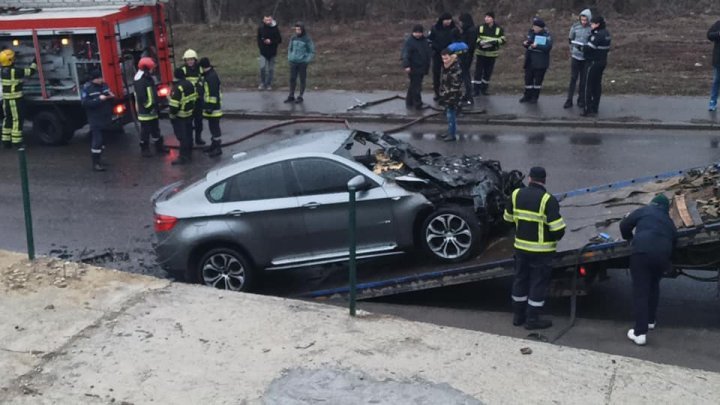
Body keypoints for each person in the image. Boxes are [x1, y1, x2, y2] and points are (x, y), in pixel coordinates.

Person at [503, 167, 566, 329]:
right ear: (544, 180)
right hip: (541, 252)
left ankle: (518, 317)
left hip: (521, 249)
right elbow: (558, 229)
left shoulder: (516, 194)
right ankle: (532, 319)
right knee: (537, 284)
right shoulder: (547, 200)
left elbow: (507, 219)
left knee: (520, 280)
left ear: (529, 178)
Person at [619, 194, 677, 346]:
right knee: (653, 286)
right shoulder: (669, 222)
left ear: (653, 204)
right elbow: (675, 241)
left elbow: (624, 225)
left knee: (641, 292)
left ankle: (640, 333)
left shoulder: (645, 211)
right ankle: (651, 320)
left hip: (642, 253)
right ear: (666, 209)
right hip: (662, 257)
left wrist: (629, 239)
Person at [0, 49, 36, 148]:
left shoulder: (2, 71)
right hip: (15, 100)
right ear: (10, 60)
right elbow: (30, 72)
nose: (15, 59)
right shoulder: (14, 71)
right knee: (17, 120)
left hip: (6, 101)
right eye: (13, 58)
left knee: (8, 119)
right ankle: (17, 142)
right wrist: (35, 61)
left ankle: (6, 141)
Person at [133, 57, 168, 157]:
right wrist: (149, 106)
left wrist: (156, 105)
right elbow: (142, 97)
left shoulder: (147, 77)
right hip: (145, 111)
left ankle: (159, 147)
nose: (153, 70)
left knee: (155, 130)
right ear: (147, 68)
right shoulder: (140, 79)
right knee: (145, 131)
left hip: (152, 109)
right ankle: (145, 149)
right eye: (152, 68)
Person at [81, 69, 114, 171]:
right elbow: (85, 103)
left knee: (104, 140)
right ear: (94, 79)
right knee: (97, 140)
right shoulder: (87, 89)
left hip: (105, 117)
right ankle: (96, 164)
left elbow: (108, 95)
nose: (102, 79)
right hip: (95, 119)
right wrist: (99, 99)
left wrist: (111, 96)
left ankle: (100, 159)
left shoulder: (104, 85)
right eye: (100, 78)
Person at [581, 15, 611, 117]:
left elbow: (590, 48)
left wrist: (581, 47)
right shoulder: (606, 33)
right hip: (602, 62)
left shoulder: (597, 35)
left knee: (587, 85)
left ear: (597, 24)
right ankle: (595, 107)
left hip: (593, 62)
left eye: (592, 24)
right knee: (597, 85)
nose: (591, 25)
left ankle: (586, 108)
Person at [168, 67, 198, 165]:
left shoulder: (178, 88)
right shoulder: (190, 84)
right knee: (189, 135)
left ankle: (183, 156)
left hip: (180, 116)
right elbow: (194, 98)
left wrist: (172, 115)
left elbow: (174, 105)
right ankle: (189, 153)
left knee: (182, 137)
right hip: (189, 114)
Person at [520, 17, 553, 104]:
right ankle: (527, 96)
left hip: (540, 62)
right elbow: (530, 42)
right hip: (530, 60)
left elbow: (547, 47)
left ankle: (535, 97)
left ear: (540, 27)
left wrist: (537, 46)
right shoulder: (531, 33)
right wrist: (525, 44)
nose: (533, 28)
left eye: (535, 27)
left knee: (537, 81)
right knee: (528, 79)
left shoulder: (546, 35)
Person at [564, 9, 592, 109]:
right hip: (576, 57)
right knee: (573, 79)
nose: (583, 22)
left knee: (583, 80)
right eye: (582, 20)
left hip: (586, 58)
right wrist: (572, 50)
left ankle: (581, 100)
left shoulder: (590, 28)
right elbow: (570, 39)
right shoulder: (575, 27)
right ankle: (569, 100)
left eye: (585, 20)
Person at [428, 13, 460, 101]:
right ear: (442, 20)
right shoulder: (435, 28)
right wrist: (435, 48)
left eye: (449, 19)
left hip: (449, 54)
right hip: (437, 54)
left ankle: (447, 92)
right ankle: (436, 92)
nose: (448, 22)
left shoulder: (454, 29)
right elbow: (430, 39)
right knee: (436, 73)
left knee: (448, 74)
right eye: (446, 20)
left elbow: (458, 41)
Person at [473, 12, 505, 96]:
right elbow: (475, 37)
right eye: (485, 17)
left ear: (493, 19)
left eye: (488, 17)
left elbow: (503, 40)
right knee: (478, 72)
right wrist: (480, 43)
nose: (486, 18)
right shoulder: (480, 27)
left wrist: (495, 42)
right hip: (481, 53)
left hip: (492, 54)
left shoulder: (498, 29)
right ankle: (476, 90)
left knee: (488, 72)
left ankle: (484, 89)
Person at [401, 24, 432, 110]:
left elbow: (427, 52)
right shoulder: (410, 42)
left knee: (414, 85)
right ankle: (417, 103)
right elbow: (405, 54)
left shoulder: (424, 41)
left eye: (419, 32)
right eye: (416, 32)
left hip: (422, 67)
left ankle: (409, 101)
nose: (418, 34)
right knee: (417, 86)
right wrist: (406, 65)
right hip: (414, 67)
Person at [284, 22, 315, 104]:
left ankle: (300, 96)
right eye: (296, 29)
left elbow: (311, 51)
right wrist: (290, 57)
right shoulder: (293, 38)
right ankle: (291, 95)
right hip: (293, 61)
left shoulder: (307, 39)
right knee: (292, 79)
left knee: (302, 79)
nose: (297, 31)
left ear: (302, 30)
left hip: (302, 62)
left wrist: (306, 60)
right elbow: (290, 48)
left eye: (299, 29)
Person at [180, 49, 206, 146]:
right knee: (188, 122)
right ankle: (189, 141)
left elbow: (203, 81)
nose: (190, 62)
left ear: (195, 60)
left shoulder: (200, 69)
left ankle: (198, 138)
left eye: (191, 59)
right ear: (185, 61)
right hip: (188, 101)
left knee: (199, 121)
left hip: (198, 100)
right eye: (188, 60)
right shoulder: (183, 70)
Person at [199, 57, 223, 157]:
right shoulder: (209, 75)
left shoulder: (211, 77)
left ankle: (218, 148)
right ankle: (214, 145)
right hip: (211, 108)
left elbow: (213, 94)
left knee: (215, 128)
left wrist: (210, 107)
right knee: (212, 127)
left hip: (213, 109)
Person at [438, 48, 463, 142]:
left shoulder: (455, 67)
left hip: (453, 95)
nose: (444, 60)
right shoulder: (447, 65)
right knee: (449, 115)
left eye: (446, 58)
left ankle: (452, 134)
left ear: (451, 56)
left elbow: (456, 84)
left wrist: (447, 95)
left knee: (451, 115)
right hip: (447, 94)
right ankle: (449, 132)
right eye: (443, 58)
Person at [257, 14, 282, 90]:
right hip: (263, 52)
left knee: (271, 69)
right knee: (262, 68)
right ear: (263, 20)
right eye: (266, 20)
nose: (267, 21)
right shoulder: (260, 28)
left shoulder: (275, 28)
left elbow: (279, 40)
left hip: (272, 52)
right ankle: (262, 83)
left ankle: (269, 84)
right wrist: (262, 45)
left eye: (269, 20)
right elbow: (258, 39)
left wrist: (271, 42)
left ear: (271, 20)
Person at [458, 13, 477, 105]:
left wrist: (464, 54)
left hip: (466, 56)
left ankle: (469, 96)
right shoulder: (466, 30)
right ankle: (467, 95)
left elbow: (470, 45)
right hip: (464, 55)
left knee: (465, 76)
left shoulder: (471, 31)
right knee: (464, 75)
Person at [707, 20, 720, 111]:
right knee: (716, 81)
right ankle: (713, 101)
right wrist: (718, 34)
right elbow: (709, 35)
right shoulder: (718, 24)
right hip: (718, 59)